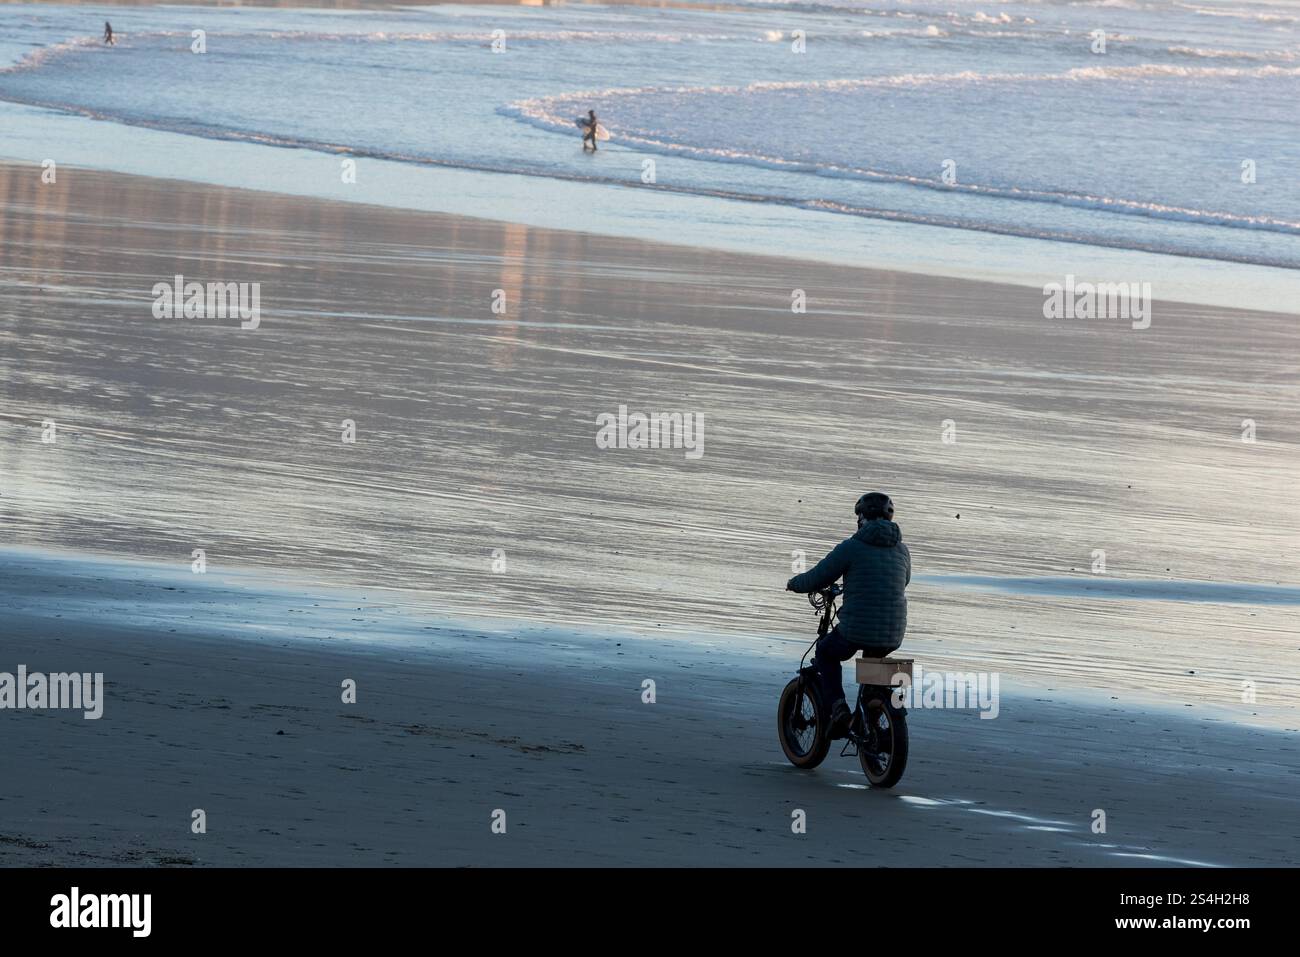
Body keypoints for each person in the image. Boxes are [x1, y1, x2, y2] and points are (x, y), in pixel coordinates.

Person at [786, 492, 911, 736]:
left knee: (826, 652)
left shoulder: (852, 547)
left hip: (857, 629)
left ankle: (839, 710)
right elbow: (903, 581)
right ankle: (872, 720)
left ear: (861, 518)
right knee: (873, 673)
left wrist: (795, 583)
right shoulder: (902, 551)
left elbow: (818, 576)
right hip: (894, 632)